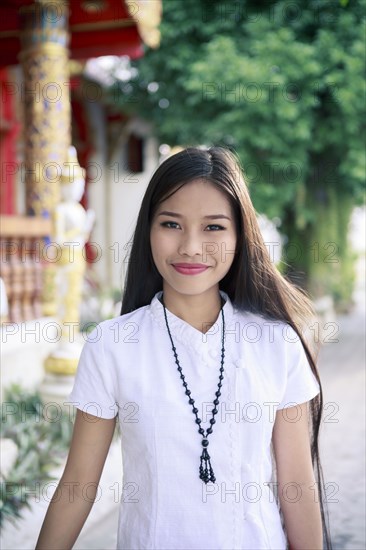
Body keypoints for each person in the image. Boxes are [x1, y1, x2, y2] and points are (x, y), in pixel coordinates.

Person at [36, 147, 332, 550]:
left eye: (213, 227)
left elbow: (296, 484)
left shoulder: (277, 343)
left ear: (240, 236)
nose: (191, 246)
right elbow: (78, 485)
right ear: (149, 230)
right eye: (172, 223)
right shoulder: (111, 347)